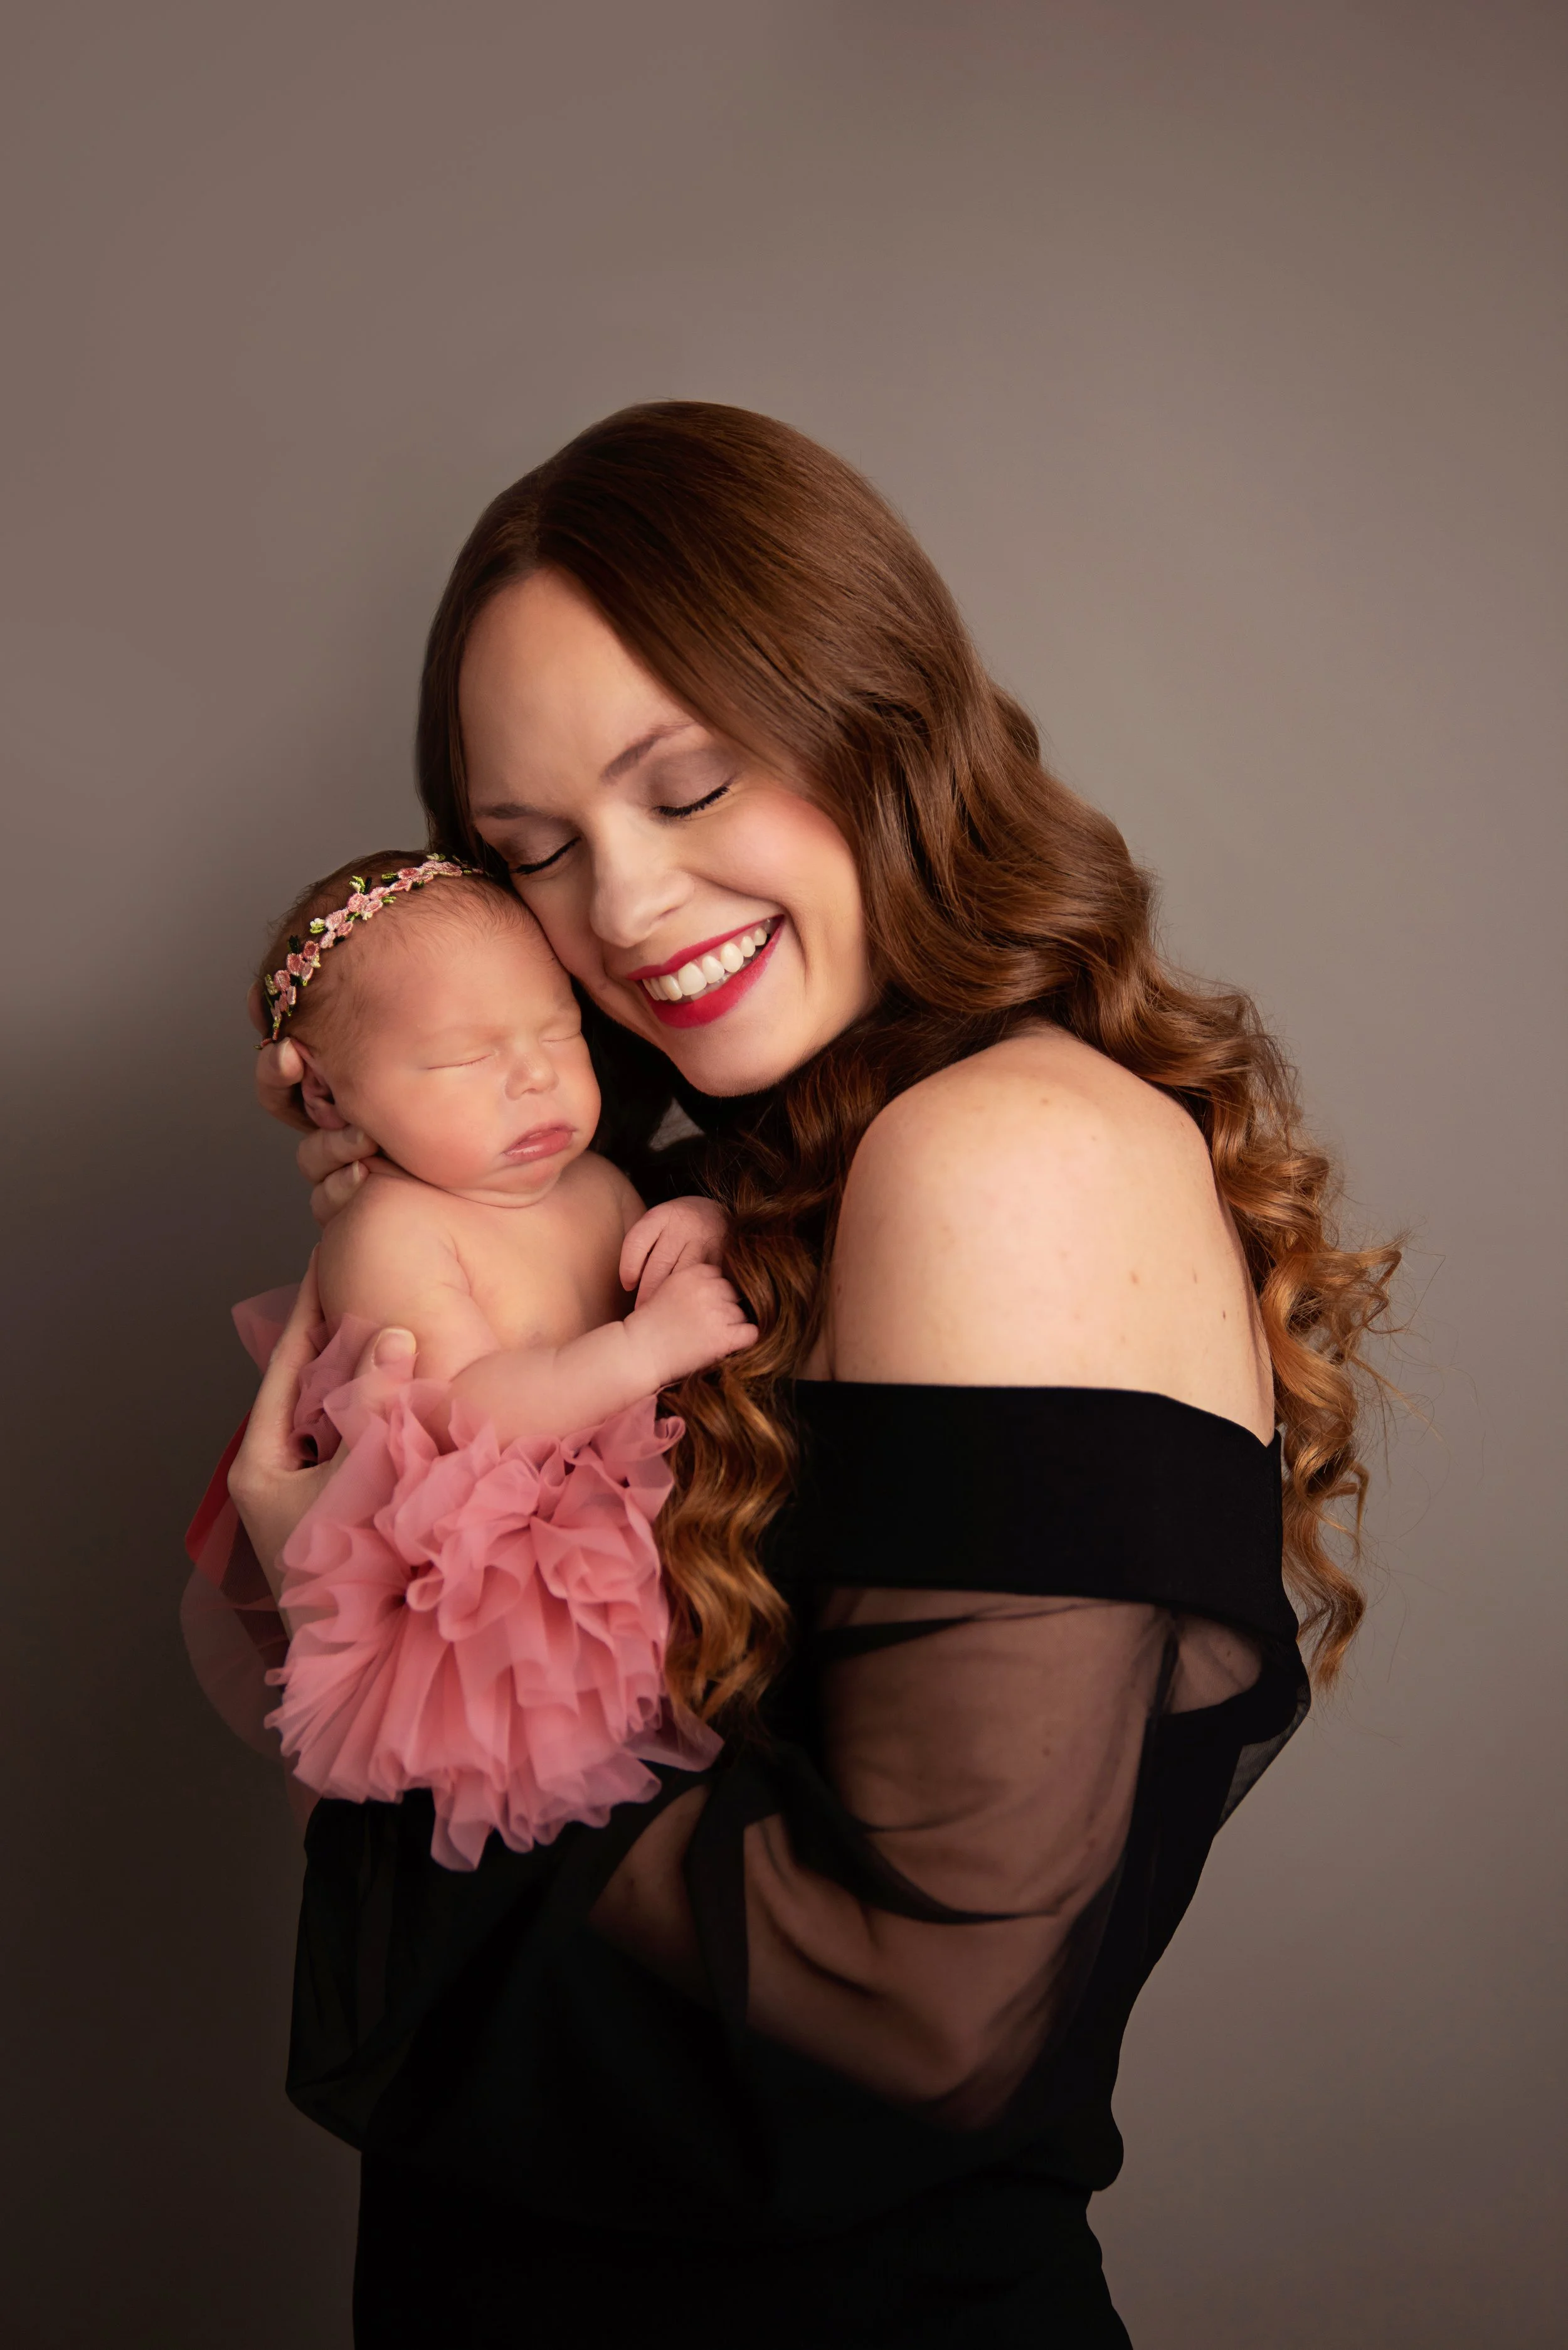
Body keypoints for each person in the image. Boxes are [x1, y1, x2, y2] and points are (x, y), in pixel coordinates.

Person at [227, 402, 1398, 2347]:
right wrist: (436, 1203)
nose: (621, 909)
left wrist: (353, 1585)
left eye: (688, 786)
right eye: (533, 853)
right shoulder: (748, 1177)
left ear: (877, 722)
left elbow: (912, 2010)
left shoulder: (992, 1156)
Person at [235, 846, 752, 1869]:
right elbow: (468, 1410)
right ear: (330, 1099)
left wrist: (699, 1226)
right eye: (463, 1058)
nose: (534, 1074)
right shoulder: (391, 1226)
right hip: (497, 1588)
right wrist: (644, 1344)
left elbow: (663, 1288)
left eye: (558, 1031)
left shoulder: (594, 1180)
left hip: (647, 1522)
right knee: (593, 1837)